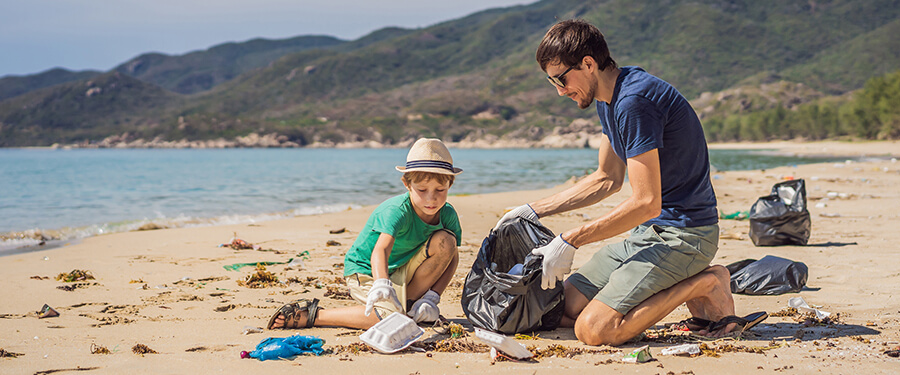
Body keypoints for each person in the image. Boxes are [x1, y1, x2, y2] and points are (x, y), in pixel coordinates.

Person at [494, 20, 763, 346]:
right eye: (552, 82)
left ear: (589, 64)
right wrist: (531, 211)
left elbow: (647, 202)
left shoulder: (634, 102)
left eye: (561, 79)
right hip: (648, 234)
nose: (560, 91)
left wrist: (570, 240)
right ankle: (674, 283)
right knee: (560, 310)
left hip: (686, 236)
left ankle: (706, 281)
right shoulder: (608, 98)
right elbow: (607, 179)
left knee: (594, 331)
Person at [268, 138, 462, 330]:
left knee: (446, 242)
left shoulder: (447, 214)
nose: (431, 198)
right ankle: (315, 315)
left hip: (403, 269)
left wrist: (432, 297)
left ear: (450, 185)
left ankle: (410, 304)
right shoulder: (396, 211)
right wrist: (381, 284)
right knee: (389, 317)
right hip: (366, 271)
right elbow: (381, 250)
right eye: (422, 189)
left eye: (440, 189)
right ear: (407, 184)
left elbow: (452, 256)